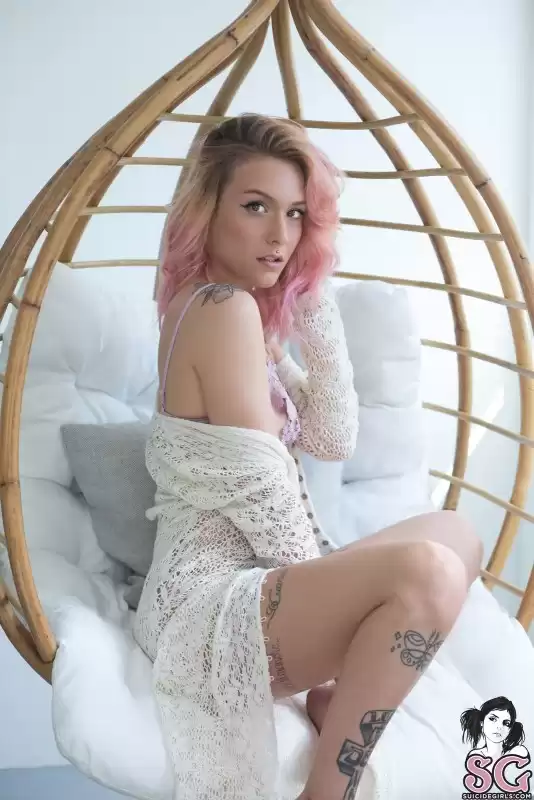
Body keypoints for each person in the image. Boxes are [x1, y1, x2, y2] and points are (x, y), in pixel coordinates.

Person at [133, 112, 483, 800]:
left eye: (296, 214)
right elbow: (269, 504)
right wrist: (343, 609)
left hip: (254, 581)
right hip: (207, 610)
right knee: (429, 572)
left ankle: (340, 699)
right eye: (255, 206)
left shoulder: (236, 315)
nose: (279, 235)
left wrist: (312, 297)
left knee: (457, 534)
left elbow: (331, 437)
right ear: (207, 208)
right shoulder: (221, 310)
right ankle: (326, 792)